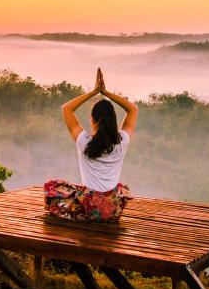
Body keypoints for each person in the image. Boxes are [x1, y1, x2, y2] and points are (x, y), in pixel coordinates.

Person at [44, 68, 138, 223]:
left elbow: (66, 109)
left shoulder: (84, 142)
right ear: (113, 121)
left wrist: (94, 92)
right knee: (120, 188)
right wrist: (106, 92)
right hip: (112, 210)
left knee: (51, 186)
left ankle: (83, 213)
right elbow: (133, 109)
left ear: (92, 120)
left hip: (88, 209)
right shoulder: (122, 142)